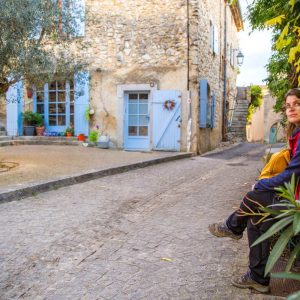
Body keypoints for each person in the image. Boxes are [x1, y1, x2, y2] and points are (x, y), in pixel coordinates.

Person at [208, 88, 300, 293]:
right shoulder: (297, 133)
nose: (291, 109)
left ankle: (232, 227)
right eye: (288, 106)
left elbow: (292, 174)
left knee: (254, 196)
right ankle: (258, 278)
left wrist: (260, 184)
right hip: (294, 197)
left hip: (297, 202)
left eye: (297, 104)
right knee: (256, 217)